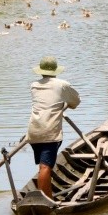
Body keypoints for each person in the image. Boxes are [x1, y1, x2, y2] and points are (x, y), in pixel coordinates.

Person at [26, 56, 80, 199]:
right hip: (49, 131)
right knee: (45, 167)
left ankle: (44, 196)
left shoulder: (34, 85)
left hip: (33, 132)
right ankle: (46, 201)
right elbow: (76, 101)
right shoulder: (62, 85)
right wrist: (66, 105)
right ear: (55, 71)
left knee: (43, 167)